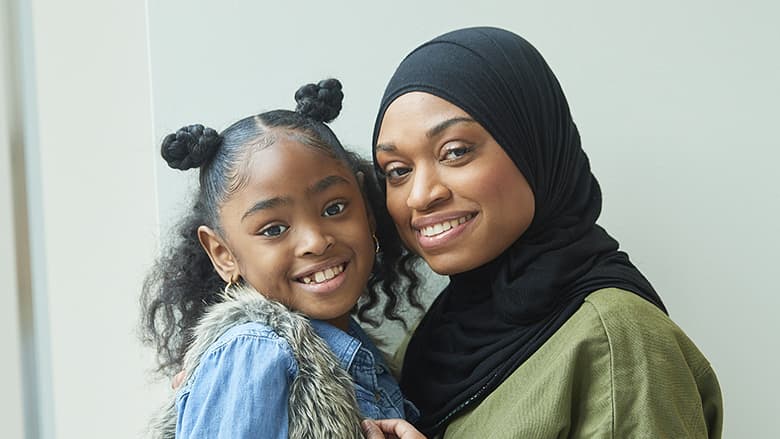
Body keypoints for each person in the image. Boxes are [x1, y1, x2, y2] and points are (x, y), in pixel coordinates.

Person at [369, 27, 723, 438]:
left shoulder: (617, 338)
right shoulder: (433, 338)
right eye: (398, 171)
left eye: (455, 152)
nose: (420, 195)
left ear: (533, 145)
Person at [140, 79, 426, 438]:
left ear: (366, 207)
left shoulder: (353, 350)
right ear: (223, 254)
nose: (316, 241)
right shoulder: (255, 352)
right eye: (274, 229)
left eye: (334, 208)